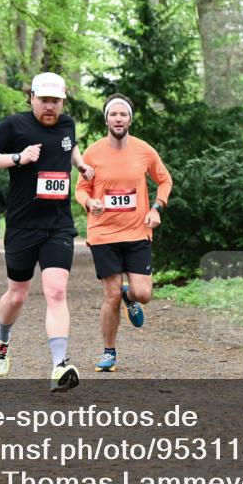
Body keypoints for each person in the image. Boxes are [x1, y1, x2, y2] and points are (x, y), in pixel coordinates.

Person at [0, 72, 94, 393]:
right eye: (45, 101)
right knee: (18, 295)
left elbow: (69, 146)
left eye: (56, 101)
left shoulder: (68, 124)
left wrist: (80, 165)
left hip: (58, 225)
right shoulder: (15, 126)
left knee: (56, 292)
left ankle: (59, 366)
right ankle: (1, 337)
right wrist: (18, 158)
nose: (51, 107)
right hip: (23, 226)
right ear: (32, 99)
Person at [75, 94, 172, 373]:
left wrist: (156, 208)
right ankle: (109, 352)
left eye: (123, 114)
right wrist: (88, 201)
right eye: (113, 114)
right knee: (111, 295)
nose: (118, 119)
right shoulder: (92, 152)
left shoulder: (144, 151)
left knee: (143, 294)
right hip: (103, 234)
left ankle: (131, 297)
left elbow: (165, 181)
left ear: (130, 119)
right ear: (106, 118)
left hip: (137, 232)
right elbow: (80, 188)